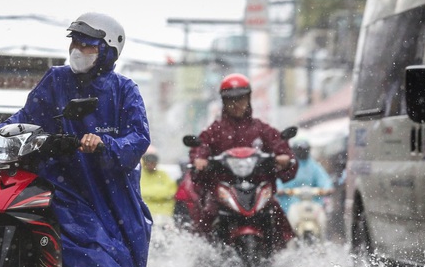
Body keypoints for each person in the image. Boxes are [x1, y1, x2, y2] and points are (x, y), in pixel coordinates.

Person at [0, 12, 152, 267]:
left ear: (108, 51)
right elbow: (25, 117)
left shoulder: (124, 90)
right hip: (62, 182)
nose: (77, 49)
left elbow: (138, 138)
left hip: (107, 190)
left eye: (87, 45)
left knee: (96, 245)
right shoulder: (56, 80)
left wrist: (104, 143)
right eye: (75, 42)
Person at [189, 73, 297, 249]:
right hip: (224, 193)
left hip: (258, 191)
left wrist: (284, 157)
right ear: (224, 102)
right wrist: (199, 159)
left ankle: (289, 253)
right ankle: (200, 256)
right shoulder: (214, 131)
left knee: (276, 213)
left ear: (249, 99)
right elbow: (201, 147)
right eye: (231, 99)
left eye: (241, 98)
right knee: (206, 216)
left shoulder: (262, 129)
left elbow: (279, 144)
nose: (237, 104)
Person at [276, 139, 334, 215]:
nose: (302, 152)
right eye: (299, 150)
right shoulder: (288, 165)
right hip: (290, 205)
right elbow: (278, 180)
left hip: (311, 204)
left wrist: (327, 188)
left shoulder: (313, 166)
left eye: (304, 150)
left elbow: (323, 179)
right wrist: (279, 189)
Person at [139, 148, 178, 225]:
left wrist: (151, 193)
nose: (151, 165)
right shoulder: (140, 175)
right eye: (149, 162)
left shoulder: (163, 174)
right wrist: (160, 192)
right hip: (147, 213)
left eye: (153, 162)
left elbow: (171, 191)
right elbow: (140, 192)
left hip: (166, 213)